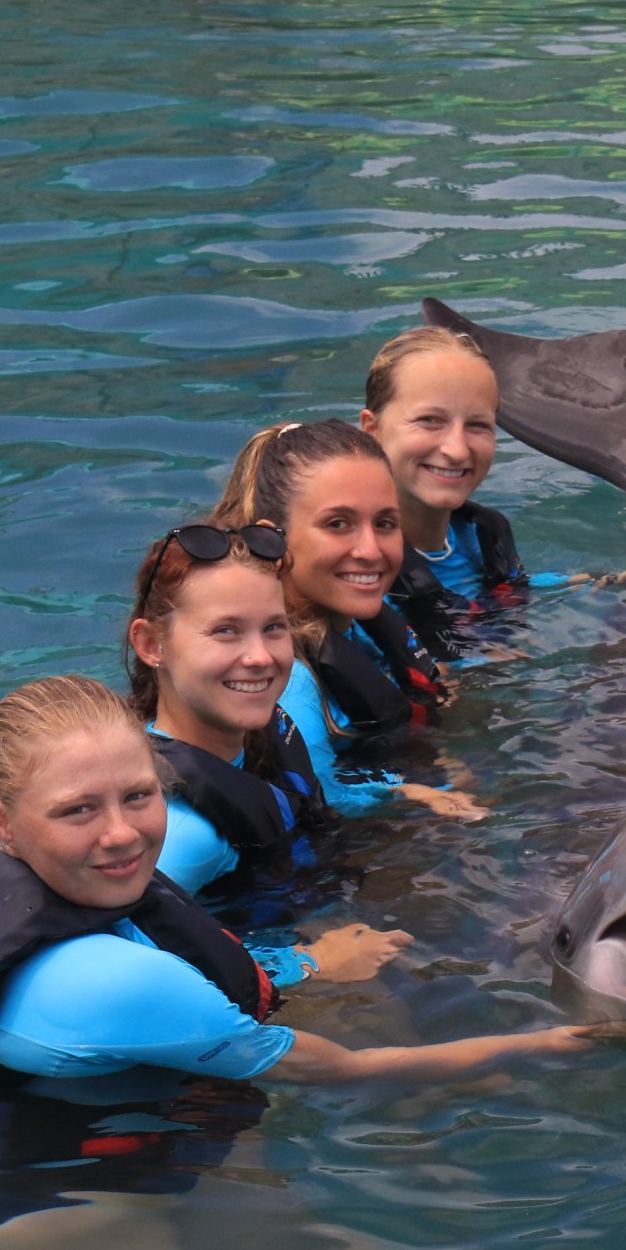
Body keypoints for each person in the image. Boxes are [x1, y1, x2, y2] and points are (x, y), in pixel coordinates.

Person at [0, 676, 589, 1250]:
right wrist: (539, 1043)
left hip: (140, 1143)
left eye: (138, 796)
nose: (122, 834)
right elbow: (342, 1071)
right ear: (2, 821)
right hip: (70, 1211)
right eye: (79, 809)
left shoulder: (26, 896)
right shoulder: (111, 981)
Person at [212, 419, 483, 819]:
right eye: (338, 524)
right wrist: (412, 792)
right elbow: (320, 797)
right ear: (274, 540)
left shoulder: (354, 622)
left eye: (385, 524)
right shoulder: (281, 677)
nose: (370, 550)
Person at [122, 520, 334, 907]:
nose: (261, 657)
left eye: (273, 628)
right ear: (152, 644)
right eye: (225, 631)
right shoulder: (181, 836)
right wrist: (302, 963)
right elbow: (140, 958)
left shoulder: (265, 731)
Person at [359, 328, 529, 640]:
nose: (457, 450)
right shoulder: (355, 569)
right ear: (372, 430)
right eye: (430, 420)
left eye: (478, 425)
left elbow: (500, 589)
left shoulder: (478, 535)